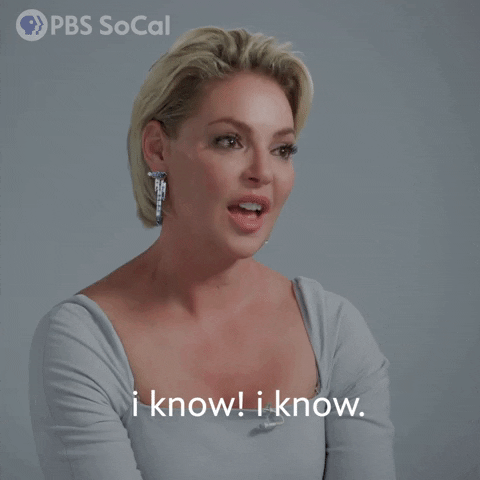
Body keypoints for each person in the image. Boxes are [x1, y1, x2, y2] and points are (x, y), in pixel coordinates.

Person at [29, 26, 396, 479]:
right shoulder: (83, 341)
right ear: (157, 149)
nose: (263, 172)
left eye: (281, 149)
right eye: (230, 141)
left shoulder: (334, 332)